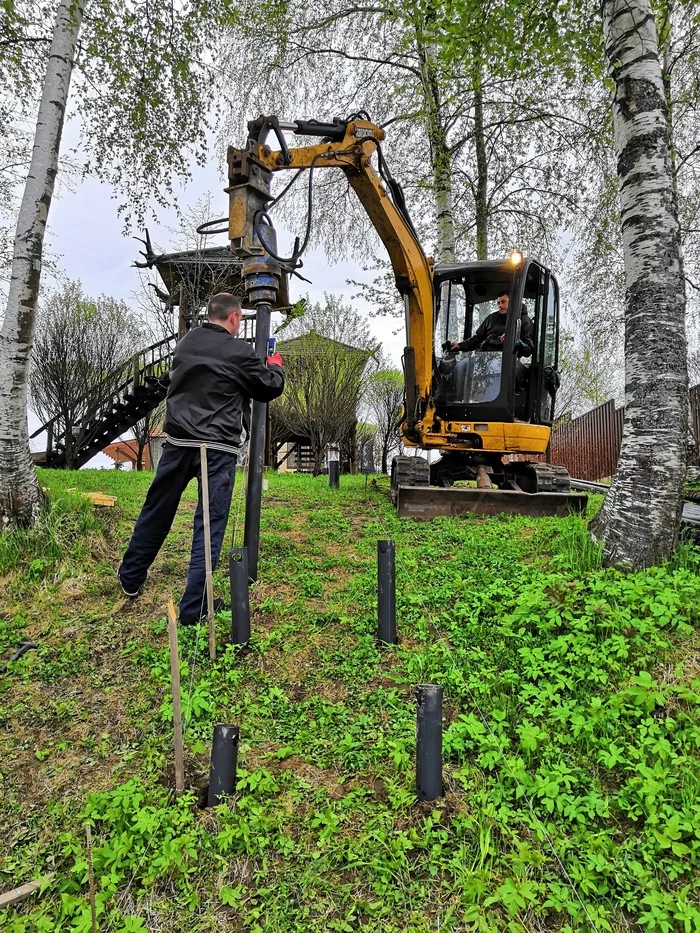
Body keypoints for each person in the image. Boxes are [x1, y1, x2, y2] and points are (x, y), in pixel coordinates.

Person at [117, 292, 285, 624]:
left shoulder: (186, 343)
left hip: (177, 443)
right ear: (235, 317)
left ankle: (130, 577)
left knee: (157, 510)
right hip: (216, 450)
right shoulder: (240, 352)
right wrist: (275, 365)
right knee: (208, 528)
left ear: (210, 314)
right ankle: (193, 610)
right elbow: (267, 387)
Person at [446, 291, 533, 358]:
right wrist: (459, 345)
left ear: (513, 302)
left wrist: (514, 339)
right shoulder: (491, 318)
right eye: (498, 303)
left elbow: (528, 350)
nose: (500, 306)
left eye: (503, 302)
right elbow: (477, 338)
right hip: (485, 359)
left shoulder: (524, 321)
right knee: (460, 367)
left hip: (508, 362)